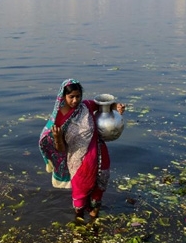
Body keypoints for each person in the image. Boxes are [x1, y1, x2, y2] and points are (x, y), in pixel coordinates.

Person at [39, 79, 125, 221]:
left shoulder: (86, 106)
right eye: (71, 97)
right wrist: (57, 137)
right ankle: (79, 224)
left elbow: (104, 105)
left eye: (78, 96)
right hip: (79, 162)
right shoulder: (58, 119)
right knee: (80, 195)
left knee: (98, 192)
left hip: (100, 155)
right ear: (63, 96)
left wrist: (117, 107)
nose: (75, 100)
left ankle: (93, 219)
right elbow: (60, 149)